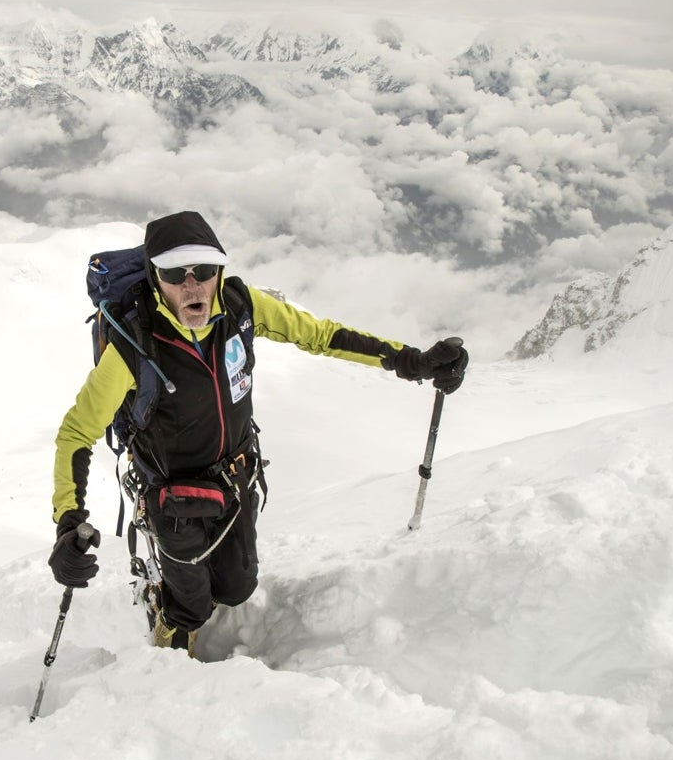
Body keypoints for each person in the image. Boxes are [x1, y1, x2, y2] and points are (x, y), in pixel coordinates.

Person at [48, 210, 467, 653]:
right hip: (171, 497)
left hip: (236, 478)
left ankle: (191, 594)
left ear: (219, 271)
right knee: (191, 606)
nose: (192, 286)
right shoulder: (134, 347)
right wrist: (67, 523)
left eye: (204, 271)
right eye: (175, 274)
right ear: (155, 278)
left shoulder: (241, 306)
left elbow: (321, 336)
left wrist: (410, 361)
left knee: (236, 590)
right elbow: (77, 433)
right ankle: (166, 611)